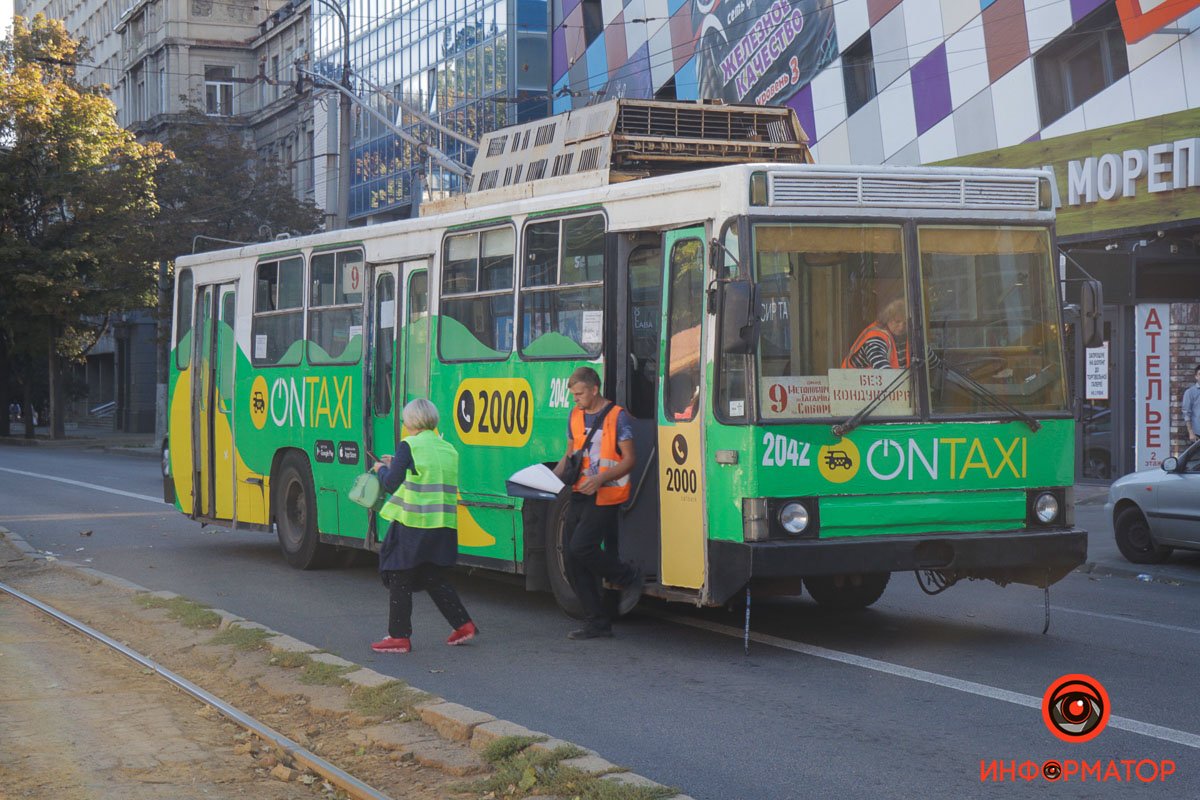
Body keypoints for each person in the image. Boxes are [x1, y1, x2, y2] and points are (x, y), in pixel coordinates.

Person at [369, 398, 476, 653]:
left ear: (411, 421)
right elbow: (426, 470)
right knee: (431, 575)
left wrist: (381, 468)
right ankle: (463, 624)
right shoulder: (447, 448)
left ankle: (399, 636)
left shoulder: (410, 445)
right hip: (442, 525)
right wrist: (397, 462)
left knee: (399, 573)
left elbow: (392, 483)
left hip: (414, 523)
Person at [553, 366, 644, 640]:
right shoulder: (575, 415)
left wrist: (601, 478)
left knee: (582, 547)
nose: (575, 399)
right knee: (571, 558)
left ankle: (627, 576)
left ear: (594, 389)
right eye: (573, 395)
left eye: (579, 393)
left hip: (606, 494)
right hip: (580, 491)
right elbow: (569, 455)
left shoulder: (618, 418)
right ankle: (597, 622)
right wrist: (547, 479)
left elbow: (630, 459)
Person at [842, 298, 909, 369]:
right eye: (897, 321)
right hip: (850, 379)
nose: (901, 327)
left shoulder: (900, 337)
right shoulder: (876, 337)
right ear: (888, 318)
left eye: (905, 323)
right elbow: (881, 367)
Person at [1183, 364, 1200, 444]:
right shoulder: (1190, 392)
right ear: (1196, 376)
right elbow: (1186, 413)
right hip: (1198, 434)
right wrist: (1191, 432)